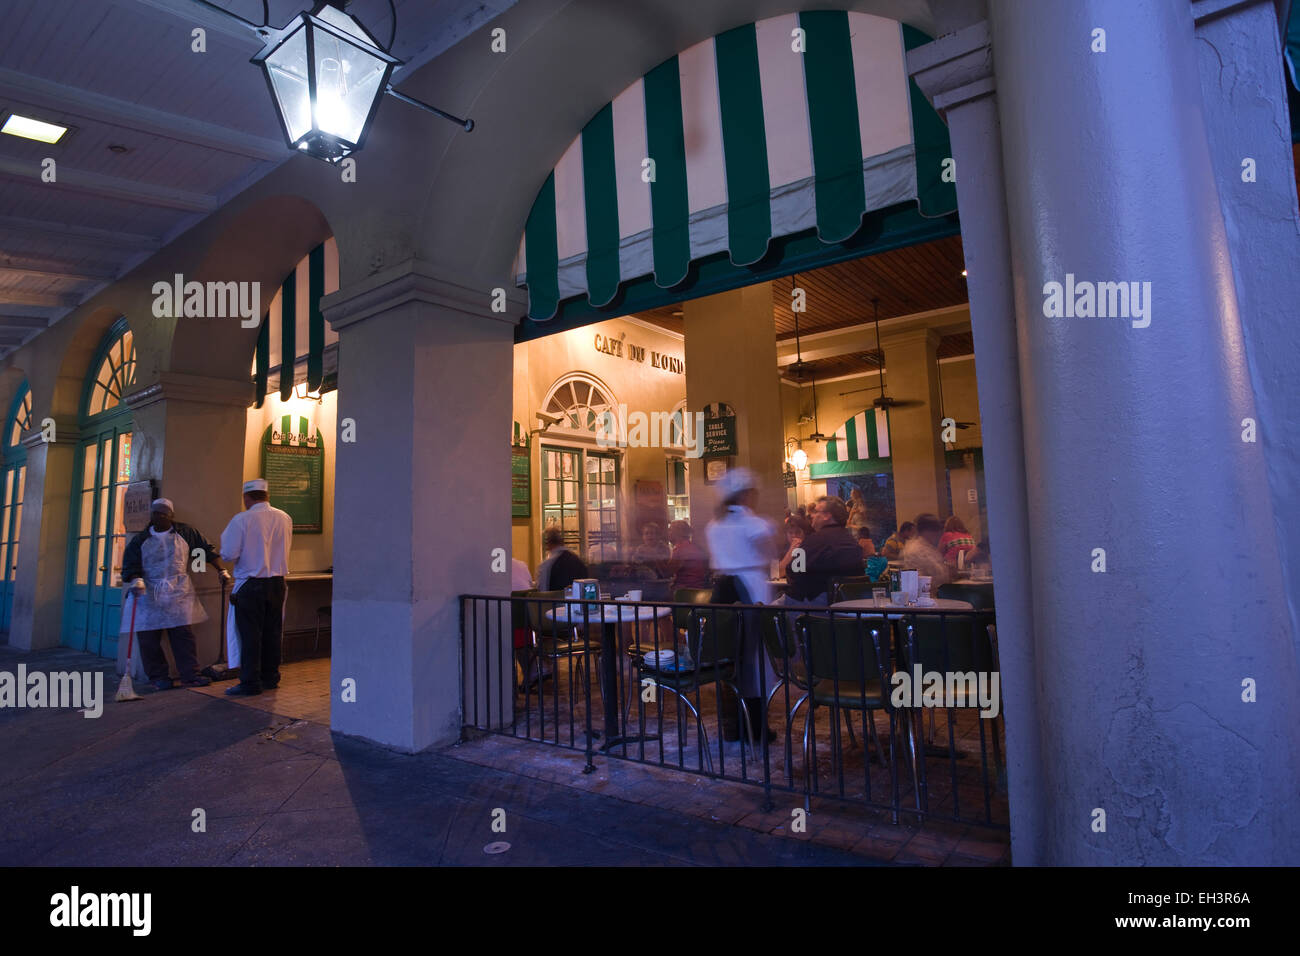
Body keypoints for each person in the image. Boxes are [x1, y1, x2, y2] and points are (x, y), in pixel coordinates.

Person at [120, 498, 226, 690]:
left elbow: (204, 552)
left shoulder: (186, 533)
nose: (158, 517)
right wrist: (136, 578)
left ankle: (190, 674)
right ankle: (158, 676)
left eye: (163, 514)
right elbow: (130, 565)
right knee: (149, 638)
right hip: (148, 594)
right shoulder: (141, 540)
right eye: (155, 514)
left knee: (183, 635)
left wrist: (220, 570)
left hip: (179, 592)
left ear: (171, 516)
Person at [705, 468, 779, 743]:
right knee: (755, 659)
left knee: (728, 659)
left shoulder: (715, 524)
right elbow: (770, 552)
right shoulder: (754, 523)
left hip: (721, 590)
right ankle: (756, 729)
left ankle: (732, 725)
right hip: (750, 589)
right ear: (747, 494)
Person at [220, 479, 293, 697]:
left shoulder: (242, 519)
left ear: (247, 497)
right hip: (277, 583)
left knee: (250, 635)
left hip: (251, 584)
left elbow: (228, 554)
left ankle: (250, 681)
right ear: (266, 496)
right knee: (273, 632)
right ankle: (270, 677)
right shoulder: (284, 518)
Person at [786, 495, 863, 604]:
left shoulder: (815, 540)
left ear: (827, 516)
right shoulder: (852, 541)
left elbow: (793, 570)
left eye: (816, 512)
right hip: (849, 606)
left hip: (814, 607)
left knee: (767, 608)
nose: (811, 515)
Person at [900, 513, 952, 586]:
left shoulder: (925, 546)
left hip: (929, 591)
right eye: (936, 531)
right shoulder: (918, 549)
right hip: (925, 593)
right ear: (927, 531)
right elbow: (940, 576)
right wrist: (949, 569)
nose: (938, 535)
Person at [536, 527, 587, 592]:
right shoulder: (578, 561)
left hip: (556, 601)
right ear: (562, 542)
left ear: (548, 543)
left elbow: (542, 591)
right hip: (579, 600)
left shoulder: (547, 565)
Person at [665, 519, 710, 589]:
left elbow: (668, 572)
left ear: (677, 532)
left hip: (685, 591)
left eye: (670, 530)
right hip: (699, 588)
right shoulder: (694, 547)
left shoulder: (680, 549)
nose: (668, 533)